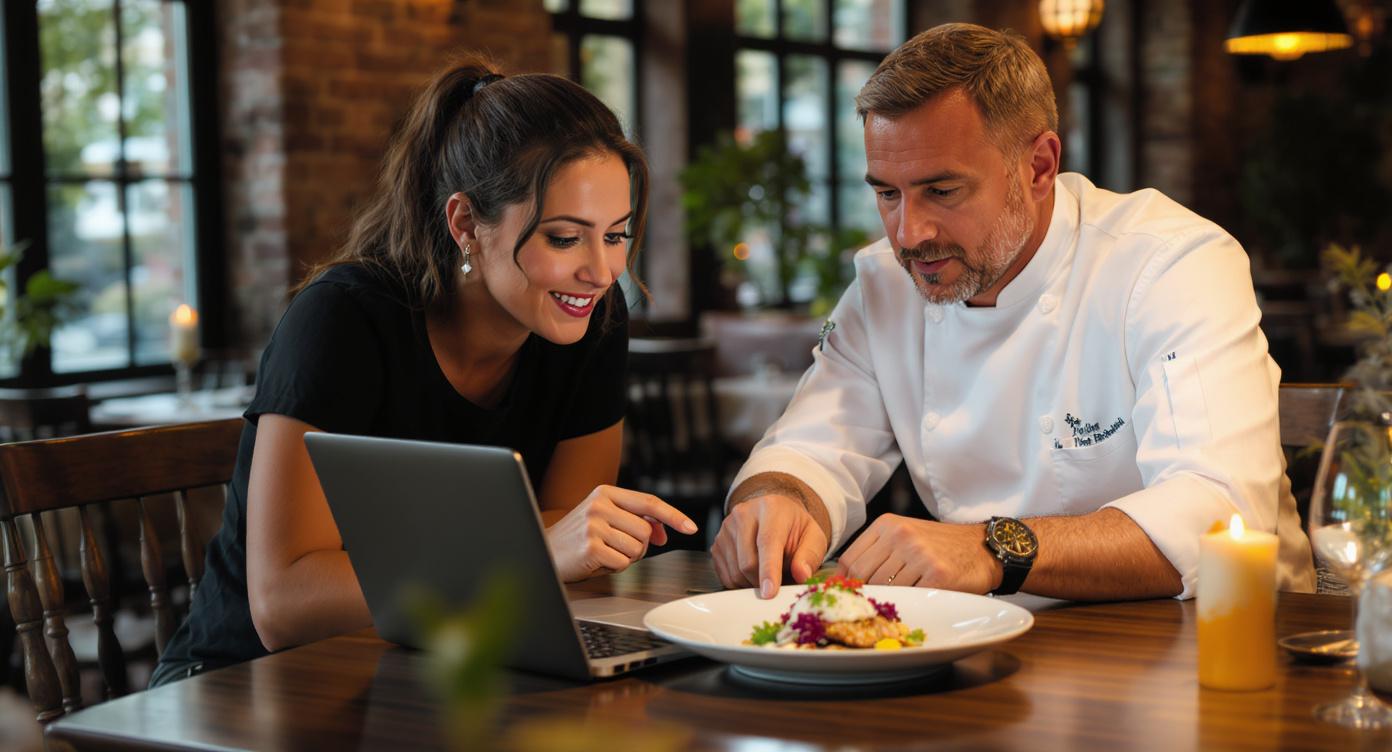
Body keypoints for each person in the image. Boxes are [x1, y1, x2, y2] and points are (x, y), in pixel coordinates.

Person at [710, 23, 1314, 602]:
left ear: (1039, 166)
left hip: (1213, 644)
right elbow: (810, 449)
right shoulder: (883, 285)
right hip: (995, 639)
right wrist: (776, 502)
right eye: (887, 194)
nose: (909, 233)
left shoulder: (1170, 264)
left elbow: (1220, 510)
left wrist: (992, 549)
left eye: (942, 191)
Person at [152, 57, 696, 686]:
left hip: (434, 666)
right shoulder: (344, 319)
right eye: (566, 239)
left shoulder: (590, 320)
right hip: (244, 684)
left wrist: (553, 546)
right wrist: (531, 551)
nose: (601, 273)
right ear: (465, 223)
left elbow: (577, 542)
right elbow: (284, 603)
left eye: (617, 235)